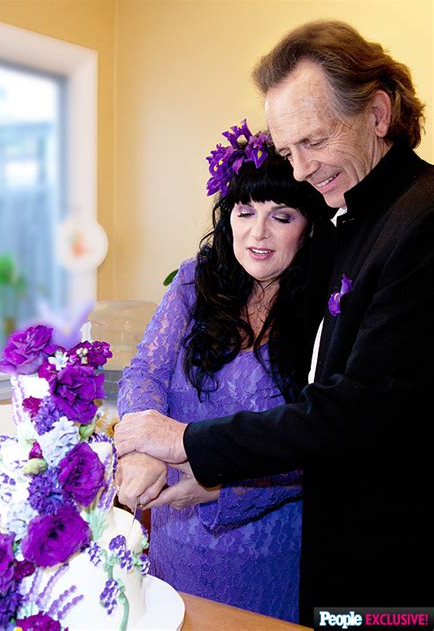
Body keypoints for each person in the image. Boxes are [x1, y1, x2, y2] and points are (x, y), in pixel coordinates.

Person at [114, 20, 434, 625]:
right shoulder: (360, 222)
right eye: (289, 152)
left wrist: (186, 444)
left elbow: (355, 411)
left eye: (314, 141)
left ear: (378, 114)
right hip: (330, 560)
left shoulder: (419, 221)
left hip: (389, 567)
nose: (303, 168)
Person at [115, 122, 333, 621]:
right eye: (245, 211)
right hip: (176, 542)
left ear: (309, 226)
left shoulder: (326, 308)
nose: (258, 233)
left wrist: (222, 486)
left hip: (270, 555)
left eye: (281, 216)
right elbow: (145, 371)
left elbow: (323, 440)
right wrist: (142, 448)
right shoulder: (194, 282)